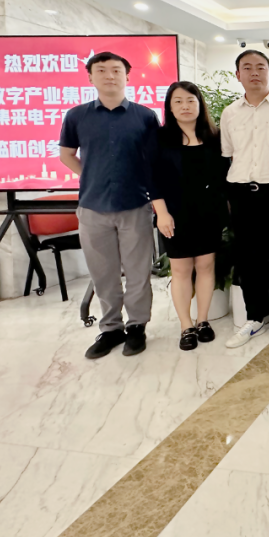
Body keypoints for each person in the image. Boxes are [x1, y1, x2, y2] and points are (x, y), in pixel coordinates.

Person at [59, 51, 159, 359]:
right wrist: (90, 176)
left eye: (116, 70)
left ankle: (137, 326)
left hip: (135, 205)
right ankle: (111, 328)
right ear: (91, 77)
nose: (109, 75)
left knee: (138, 272)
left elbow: (154, 161)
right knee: (103, 273)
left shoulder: (145, 116)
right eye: (101, 70)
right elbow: (66, 155)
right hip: (93, 208)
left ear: (127, 76)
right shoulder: (76, 115)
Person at [220, 50, 269, 351]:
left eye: (261, 67)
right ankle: (254, 317)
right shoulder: (230, 113)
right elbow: (229, 154)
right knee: (247, 258)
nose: (254, 72)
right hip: (242, 193)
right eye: (247, 68)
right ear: (238, 75)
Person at [150, 81, 230, 351]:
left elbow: (223, 177)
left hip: (209, 213)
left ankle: (202, 320)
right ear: (170, 108)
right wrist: (161, 213)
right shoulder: (160, 139)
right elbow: (153, 179)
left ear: (199, 105)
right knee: (181, 270)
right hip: (174, 214)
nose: (185, 106)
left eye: (190, 101)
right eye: (178, 101)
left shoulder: (215, 137)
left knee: (206, 266)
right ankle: (186, 325)